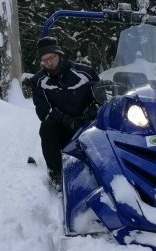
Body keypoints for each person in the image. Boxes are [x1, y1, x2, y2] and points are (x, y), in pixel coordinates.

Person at [31, 36, 100, 189]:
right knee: (46, 127)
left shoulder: (85, 72)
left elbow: (101, 98)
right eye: (45, 59)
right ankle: (55, 174)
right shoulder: (38, 81)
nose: (49, 62)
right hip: (62, 127)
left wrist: (88, 114)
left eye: (52, 57)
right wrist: (66, 120)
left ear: (59, 55)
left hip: (89, 124)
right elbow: (43, 111)